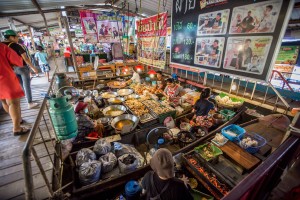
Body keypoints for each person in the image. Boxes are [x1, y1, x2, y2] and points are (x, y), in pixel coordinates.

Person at [3, 30, 39, 109]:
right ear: (12, 37)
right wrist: (33, 68)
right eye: (17, 37)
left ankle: (27, 99)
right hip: (22, 67)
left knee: (21, 84)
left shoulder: (2, 46)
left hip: (11, 68)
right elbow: (25, 59)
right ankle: (30, 102)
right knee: (26, 85)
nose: (17, 39)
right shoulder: (16, 45)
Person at [0, 43, 30, 136]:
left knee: (4, 101)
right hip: (5, 77)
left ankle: (17, 120)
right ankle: (17, 128)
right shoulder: (2, 47)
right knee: (13, 103)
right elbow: (18, 61)